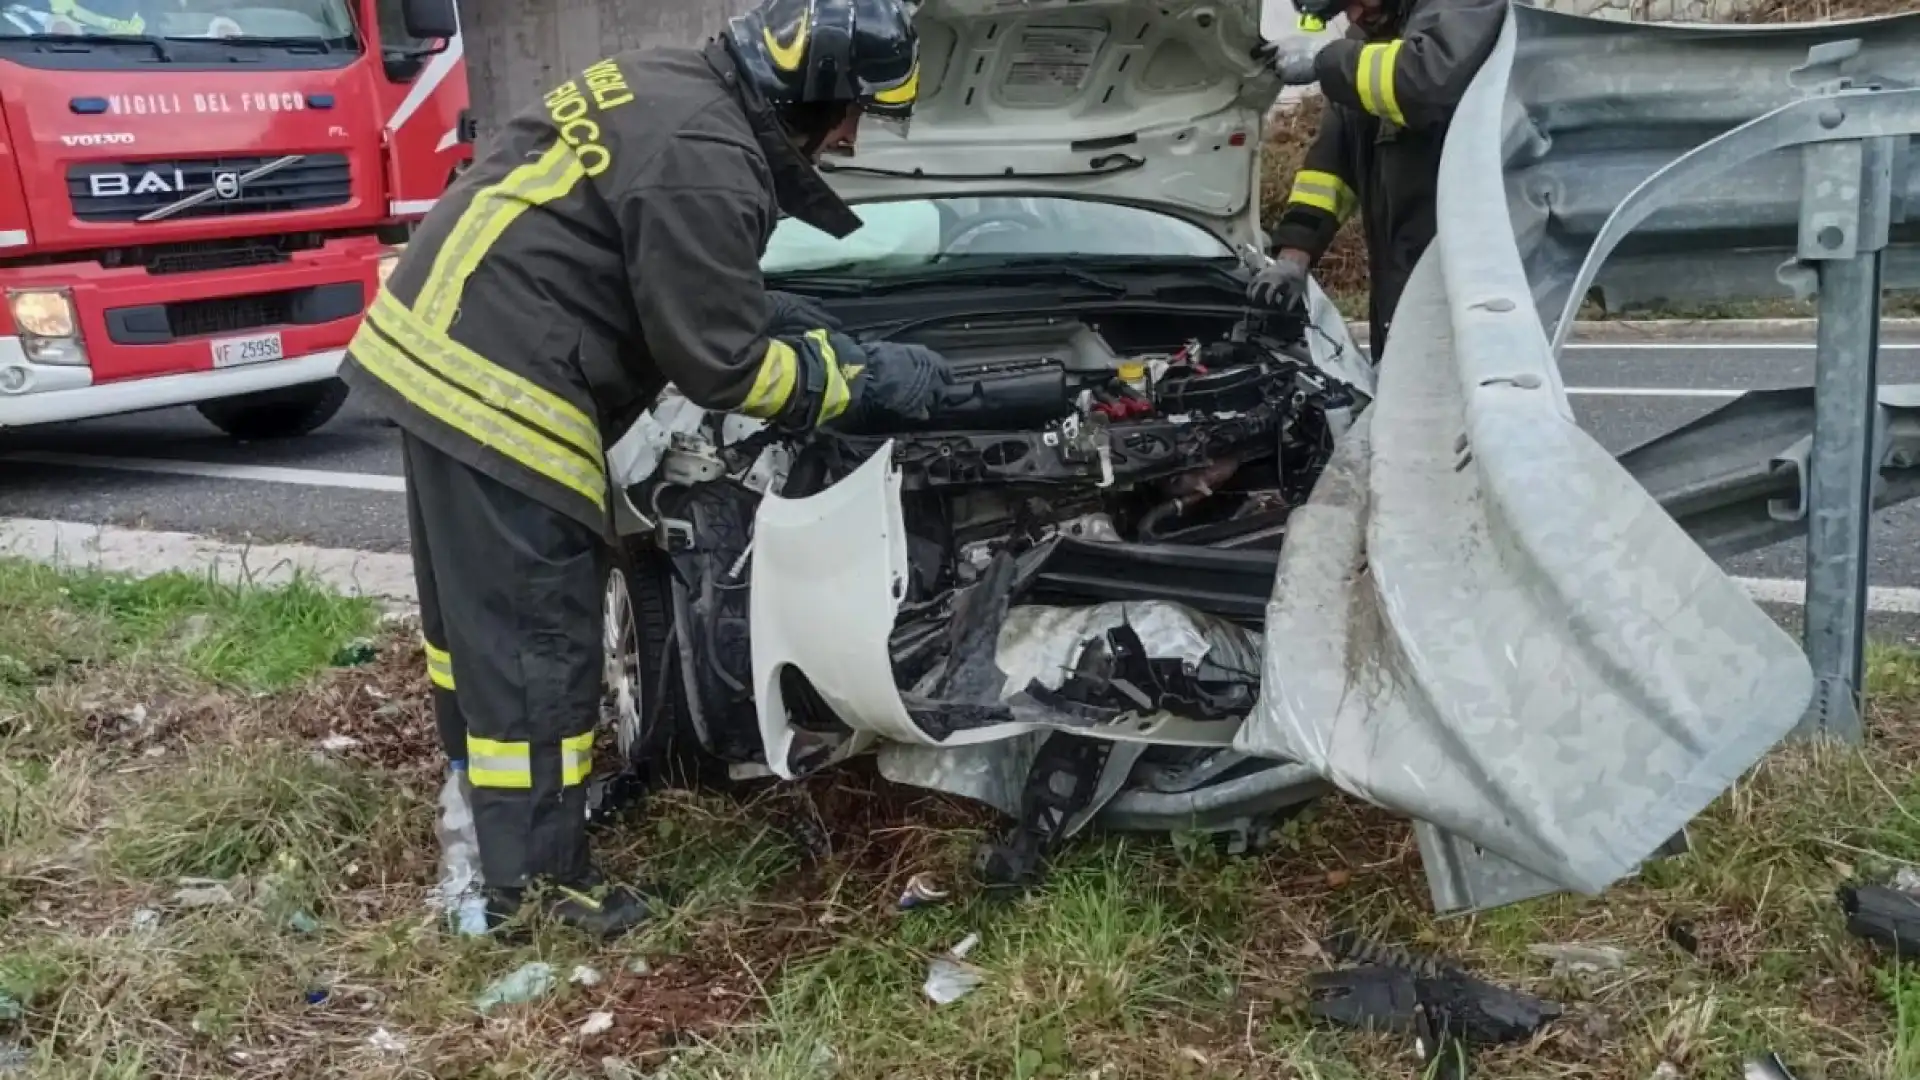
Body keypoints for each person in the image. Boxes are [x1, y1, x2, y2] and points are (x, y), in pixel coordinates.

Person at [338, 0, 950, 939]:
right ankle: (535, 893)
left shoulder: (676, 86)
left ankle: (487, 823)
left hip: (439, 349)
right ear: (807, 89)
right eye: (852, 107)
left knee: (480, 628)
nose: (854, 132)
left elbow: (654, 262)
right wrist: (865, 382)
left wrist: (787, 316)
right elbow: (726, 368)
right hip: (506, 380)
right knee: (539, 639)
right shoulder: (705, 161)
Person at [1247, 0, 1508, 357]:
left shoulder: (1466, 7)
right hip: (1402, 290)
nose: (1354, 16)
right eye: (1340, 10)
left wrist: (1327, 58)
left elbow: (1426, 81)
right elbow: (1332, 164)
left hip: (1475, 291)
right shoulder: (1369, 37)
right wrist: (1294, 256)